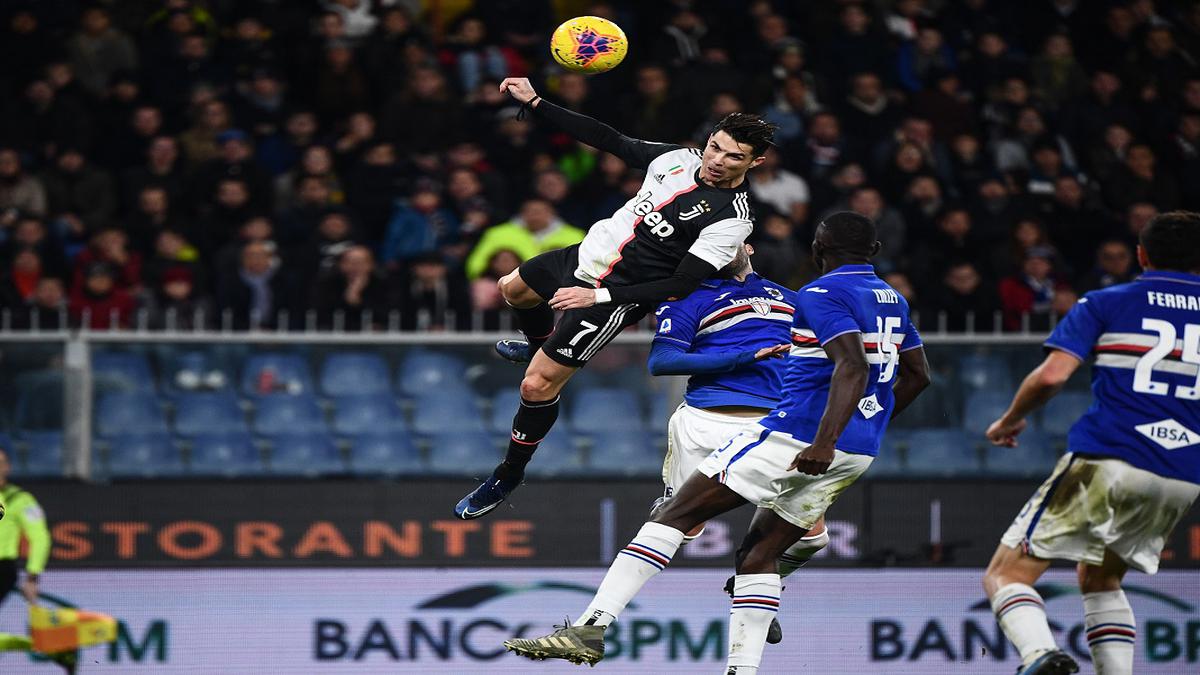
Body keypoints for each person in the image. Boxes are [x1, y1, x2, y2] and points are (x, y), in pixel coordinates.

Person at [503, 213, 931, 673]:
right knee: (745, 548)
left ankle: (594, 627)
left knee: (697, 521)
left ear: (808, 246)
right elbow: (915, 376)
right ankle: (727, 654)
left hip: (792, 432)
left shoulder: (809, 295)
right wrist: (853, 427)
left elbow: (852, 368)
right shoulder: (888, 299)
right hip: (785, 434)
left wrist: (828, 436)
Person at [454, 77, 776, 519]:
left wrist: (598, 296)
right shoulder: (677, 159)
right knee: (513, 288)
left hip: (615, 295)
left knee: (536, 384)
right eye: (716, 147)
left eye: (734, 157)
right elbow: (609, 139)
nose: (717, 160)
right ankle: (536, 341)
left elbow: (680, 285)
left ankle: (508, 474)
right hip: (586, 255)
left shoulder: (732, 220)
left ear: (755, 162)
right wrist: (537, 102)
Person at [982, 211, 1200, 675]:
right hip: (1183, 473)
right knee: (1100, 578)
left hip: (1111, 456)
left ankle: (1040, 654)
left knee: (1006, 573)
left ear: (1141, 256)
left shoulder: (1109, 300)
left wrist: (1010, 419)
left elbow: (1055, 375)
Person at [648, 243, 829, 645]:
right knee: (683, 527)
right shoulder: (688, 297)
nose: (723, 248)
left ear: (749, 245)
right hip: (708, 418)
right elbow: (661, 362)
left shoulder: (792, 298)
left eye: (731, 240)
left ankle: (754, 583)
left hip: (776, 426)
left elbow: (820, 357)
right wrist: (743, 356)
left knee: (815, 538)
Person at [0, 446, 74, 672]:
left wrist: (32, 576)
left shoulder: (19, 500)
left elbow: (40, 538)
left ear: (7, 467)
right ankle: (51, 649)